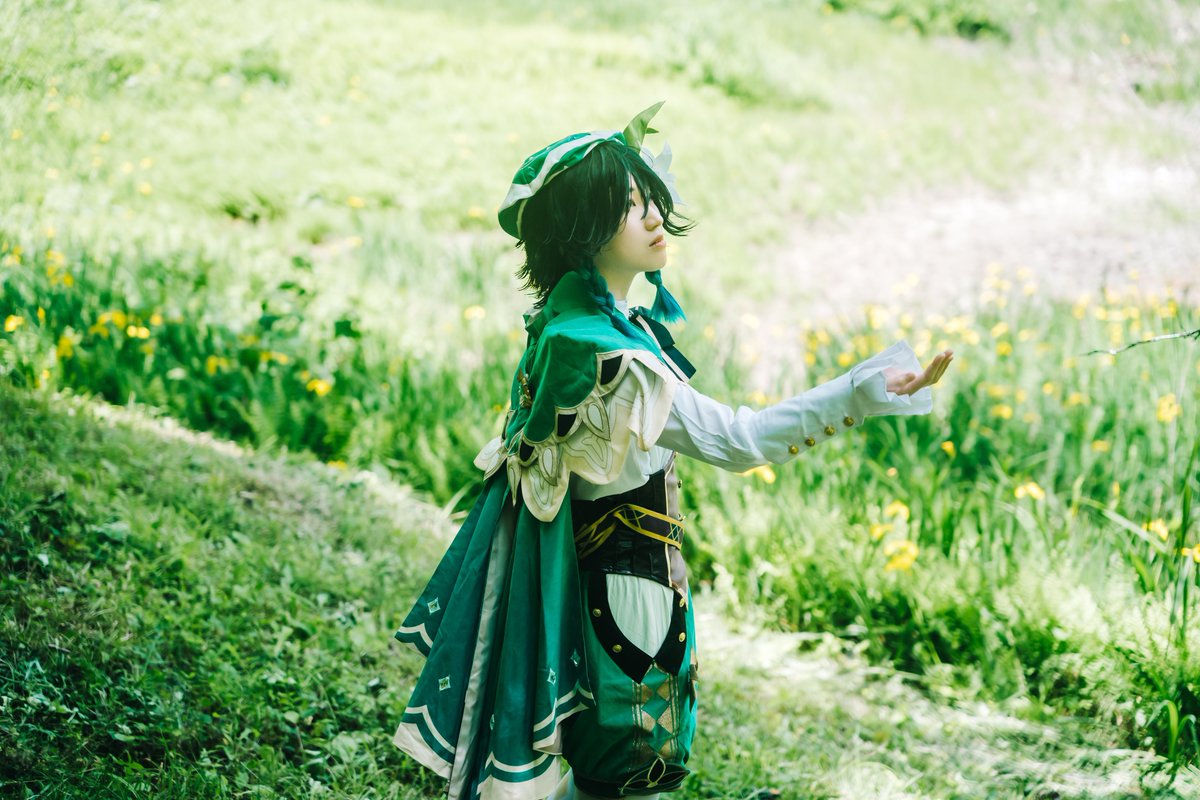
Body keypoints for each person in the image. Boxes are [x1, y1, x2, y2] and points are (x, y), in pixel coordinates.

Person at [390, 103, 953, 800]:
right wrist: (861, 393)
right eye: (629, 206)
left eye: (649, 197)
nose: (655, 216)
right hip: (630, 589)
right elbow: (741, 440)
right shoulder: (614, 358)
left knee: (612, 772)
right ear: (582, 229)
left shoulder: (571, 324)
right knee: (634, 769)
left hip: (601, 578)